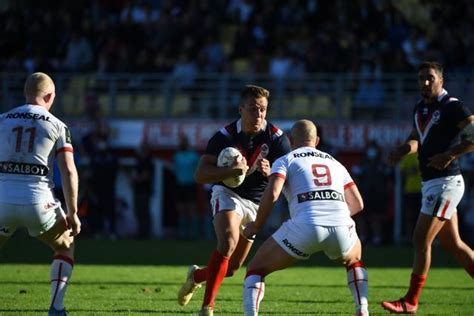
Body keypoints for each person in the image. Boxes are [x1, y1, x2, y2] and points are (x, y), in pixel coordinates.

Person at [177, 85, 291, 315]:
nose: (258, 114)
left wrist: (273, 173)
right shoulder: (225, 136)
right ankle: (207, 307)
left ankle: (196, 276)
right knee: (228, 241)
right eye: (253, 109)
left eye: (263, 109)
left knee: (231, 268)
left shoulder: (278, 139)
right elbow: (200, 175)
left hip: (256, 203)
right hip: (227, 194)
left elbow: (289, 179)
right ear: (240, 109)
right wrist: (230, 172)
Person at [241, 119, 369, 316]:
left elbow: (273, 194)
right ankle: (363, 309)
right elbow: (358, 204)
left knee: (255, 270)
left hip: (304, 227)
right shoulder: (335, 162)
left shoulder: (286, 159)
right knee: (354, 262)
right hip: (341, 226)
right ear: (316, 140)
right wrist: (331, 215)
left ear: (291, 140)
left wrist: (256, 226)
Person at [382, 61, 474, 314]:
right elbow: (416, 138)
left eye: (430, 78)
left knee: (420, 239)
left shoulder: (453, 107)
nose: (425, 82)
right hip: (431, 183)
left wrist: (450, 155)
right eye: (421, 78)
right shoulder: (420, 108)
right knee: (454, 245)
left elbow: (473, 134)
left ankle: (410, 300)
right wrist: (403, 149)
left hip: (446, 183)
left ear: (441, 81)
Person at [0, 72, 81, 316]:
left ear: (26, 93)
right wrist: (73, 212)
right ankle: (56, 309)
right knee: (65, 246)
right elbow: (68, 171)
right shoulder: (56, 125)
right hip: (38, 202)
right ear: (49, 96)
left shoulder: (2, 119)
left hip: (2, 200)